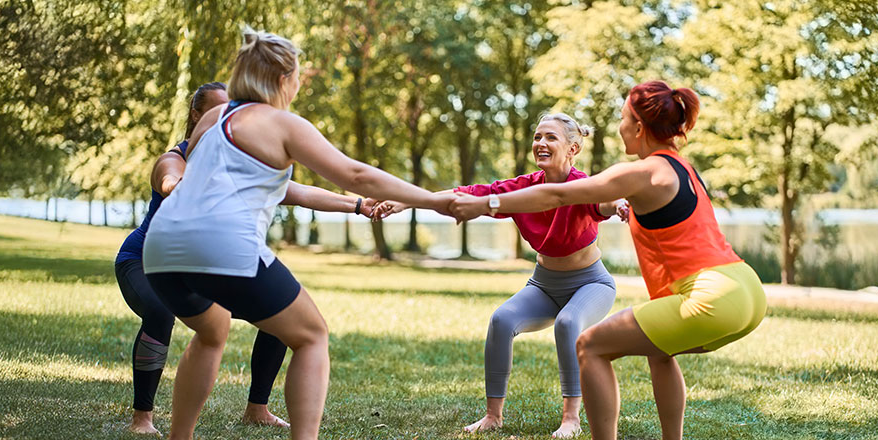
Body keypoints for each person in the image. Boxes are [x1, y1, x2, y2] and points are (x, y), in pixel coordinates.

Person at [142, 28, 455, 440]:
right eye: (298, 76)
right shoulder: (283, 124)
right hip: (221, 245)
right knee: (311, 335)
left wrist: (356, 205)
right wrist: (433, 200)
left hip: (160, 247)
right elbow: (356, 174)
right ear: (283, 78)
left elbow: (287, 190)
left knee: (211, 331)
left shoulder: (212, 120)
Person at [450, 80, 767, 440]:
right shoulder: (684, 168)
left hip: (713, 296)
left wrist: (487, 203)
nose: (619, 127)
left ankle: (576, 420)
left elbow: (559, 196)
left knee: (590, 345)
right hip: (746, 290)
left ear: (638, 127)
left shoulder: (641, 171)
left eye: (622, 119)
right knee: (659, 351)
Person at [114, 81, 389, 435]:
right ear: (197, 116)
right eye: (218, 110)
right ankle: (142, 418)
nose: (229, 117)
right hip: (143, 261)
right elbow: (170, 181)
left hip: (203, 263)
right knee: (159, 312)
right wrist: (189, 189)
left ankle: (257, 408)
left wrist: (358, 205)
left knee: (282, 312)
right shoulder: (174, 158)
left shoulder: (235, 164)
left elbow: (299, 193)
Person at [389, 113, 626, 438]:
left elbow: (606, 201)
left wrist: (620, 205)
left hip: (591, 283)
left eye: (551, 137)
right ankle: (493, 416)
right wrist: (405, 202)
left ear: (573, 149)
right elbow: (467, 194)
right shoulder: (522, 188)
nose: (541, 143)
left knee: (568, 322)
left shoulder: (582, 186)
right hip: (544, 284)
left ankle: (571, 418)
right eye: (537, 136)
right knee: (502, 320)